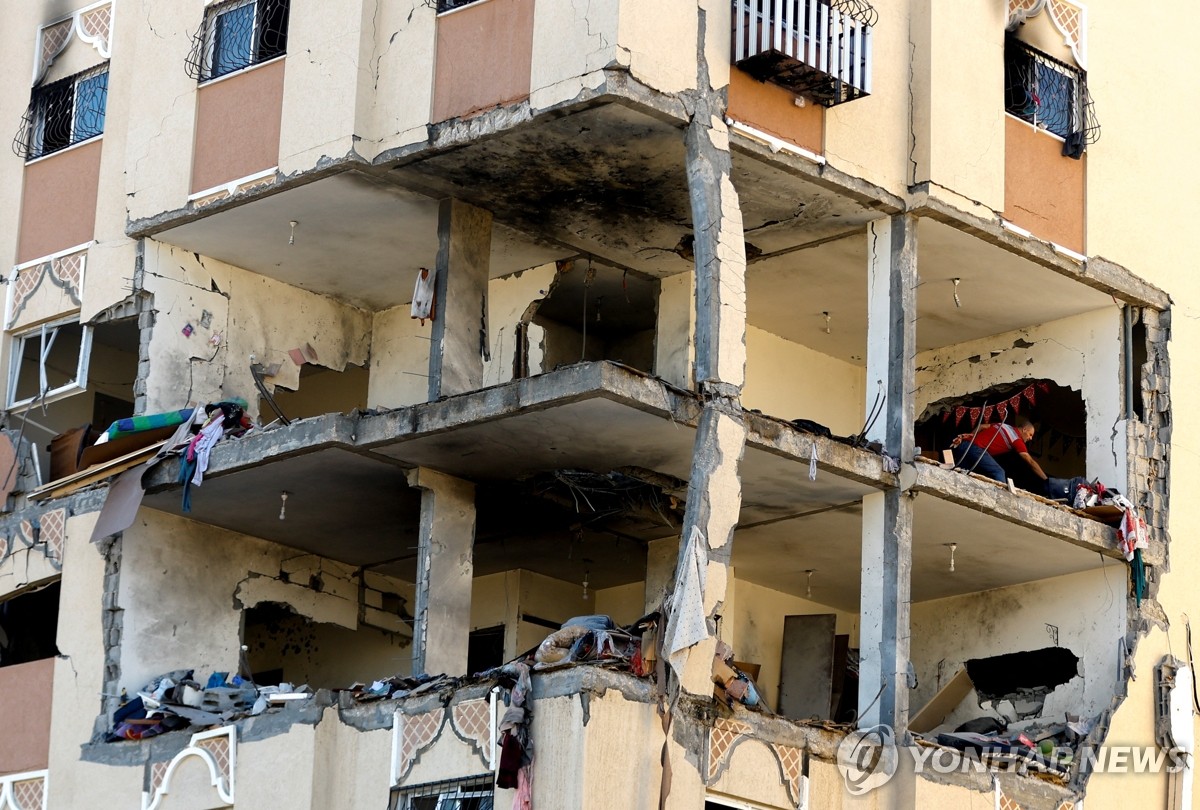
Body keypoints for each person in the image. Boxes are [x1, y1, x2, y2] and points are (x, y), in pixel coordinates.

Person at [951, 417, 1048, 486]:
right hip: (976, 449)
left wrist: (970, 436)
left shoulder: (1004, 425)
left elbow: (982, 426)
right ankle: (1002, 499)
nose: (1030, 438)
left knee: (961, 473)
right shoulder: (1016, 439)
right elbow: (1030, 461)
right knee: (999, 472)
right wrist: (1046, 480)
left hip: (963, 445)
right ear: (1024, 429)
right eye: (1030, 434)